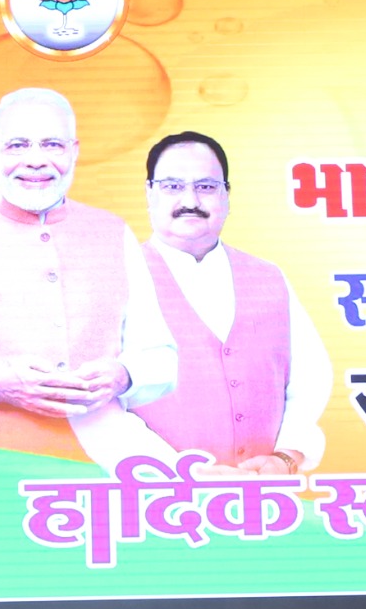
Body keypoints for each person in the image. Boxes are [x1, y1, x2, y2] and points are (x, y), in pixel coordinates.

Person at [0, 85, 178, 466]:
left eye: (52, 145)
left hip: (103, 464)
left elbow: (160, 355)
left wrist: (125, 374)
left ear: (74, 151)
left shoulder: (114, 232)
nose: (36, 161)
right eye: (17, 145)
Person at [105, 131, 332, 476]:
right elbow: (100, 407)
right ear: (149, 193)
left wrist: (285, 457)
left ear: (227, 195)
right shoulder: (114, 281)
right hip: (154, 502)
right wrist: (176, 471)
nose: (190, 200)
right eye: (172, 186)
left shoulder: (269, 277)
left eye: (207, 187)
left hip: (264, 499)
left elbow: (311, 378)